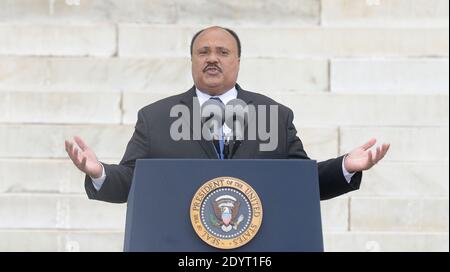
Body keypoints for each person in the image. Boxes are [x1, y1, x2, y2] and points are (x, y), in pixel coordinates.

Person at [64, 26, 390, 203]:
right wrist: (99, 172)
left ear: (237, 61)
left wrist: (345, 166)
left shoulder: (273, 115)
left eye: (223, 52)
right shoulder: (156, 117)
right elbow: (131, 183)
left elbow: (300, 183)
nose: (212, 58)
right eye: (203, 52)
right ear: (192, 61)